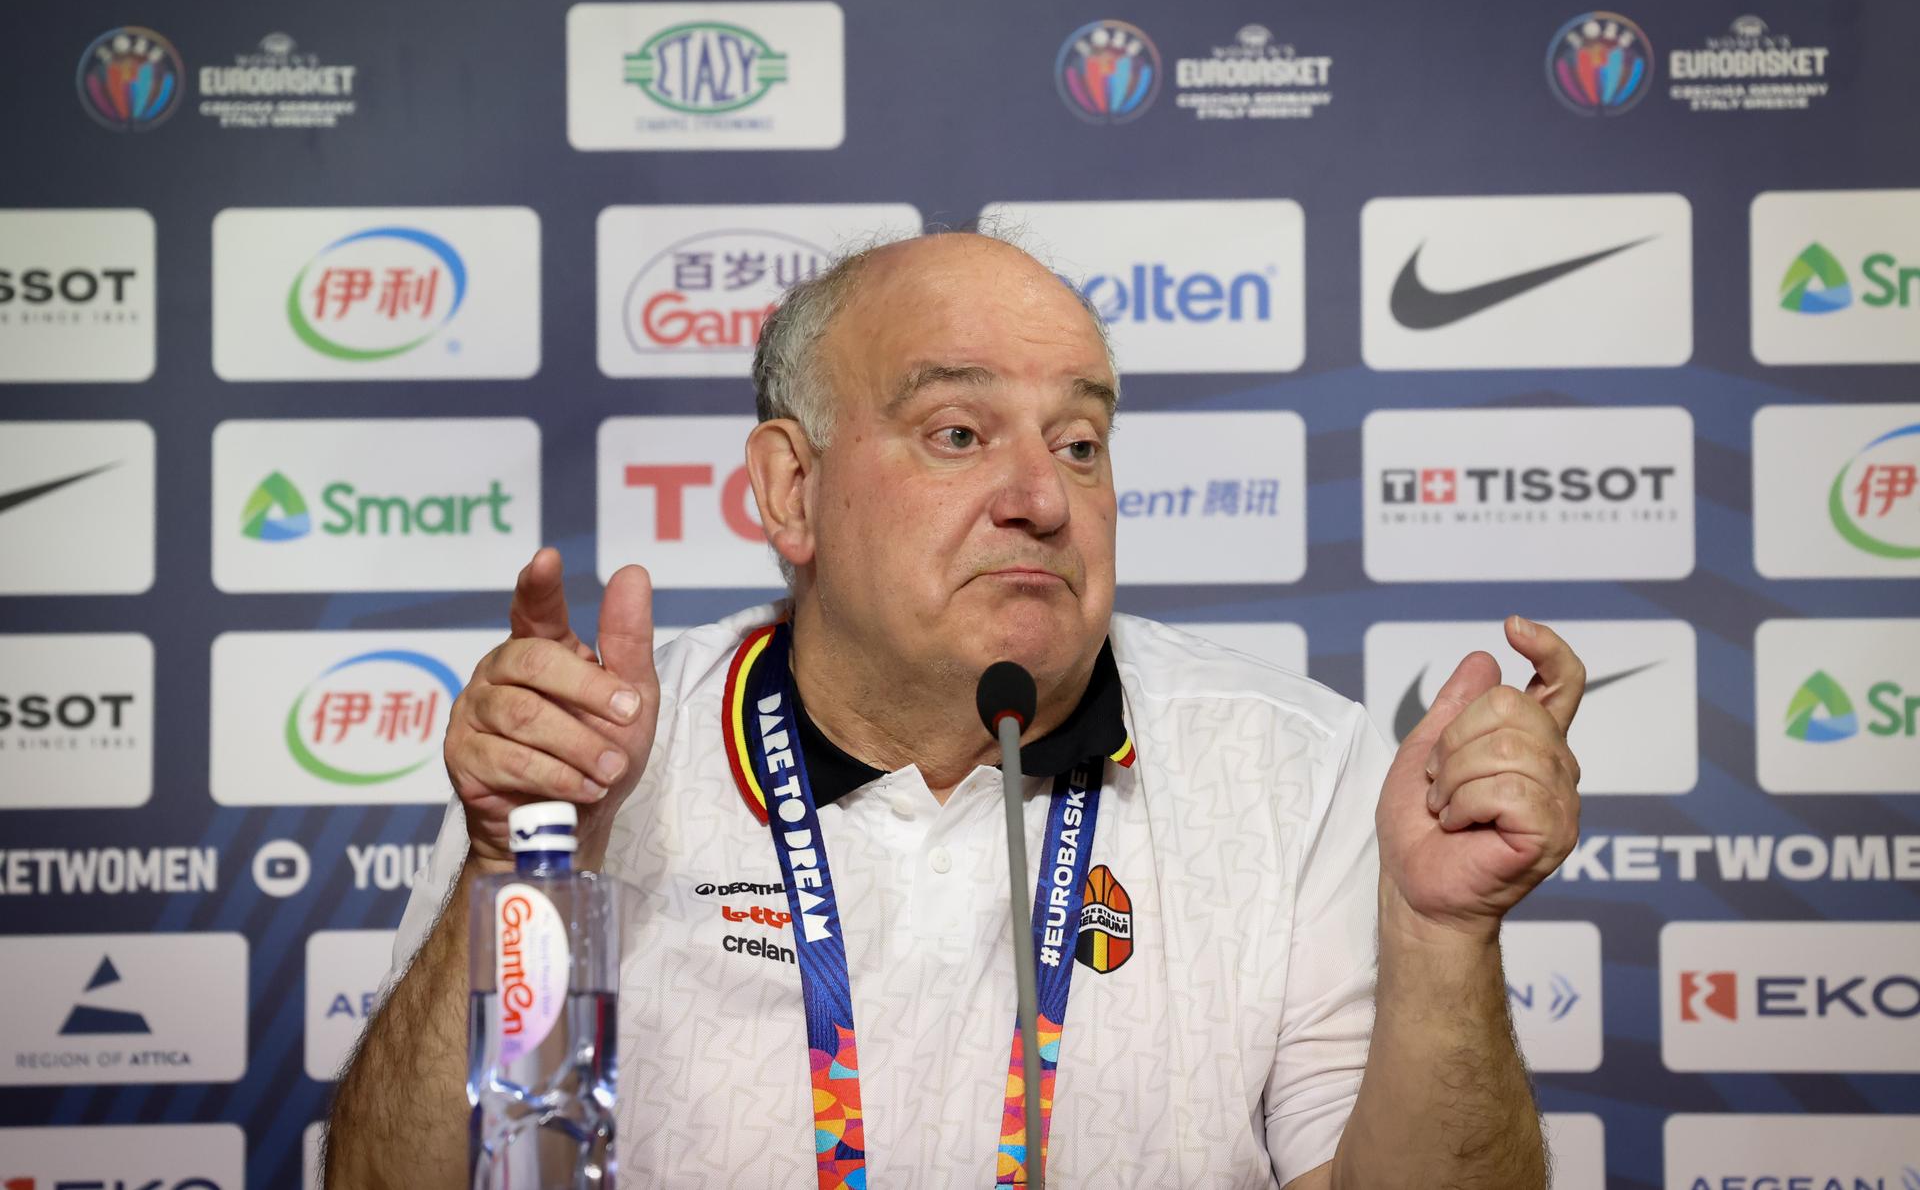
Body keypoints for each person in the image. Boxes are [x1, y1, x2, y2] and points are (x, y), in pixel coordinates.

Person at [325, 229, 1584, 1188]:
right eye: (959, 431)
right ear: (791, 492)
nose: (1041, 495)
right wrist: (522, 871)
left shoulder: (1295, 767)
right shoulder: (595, 758)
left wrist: (1439, 942)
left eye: (1080, 442)